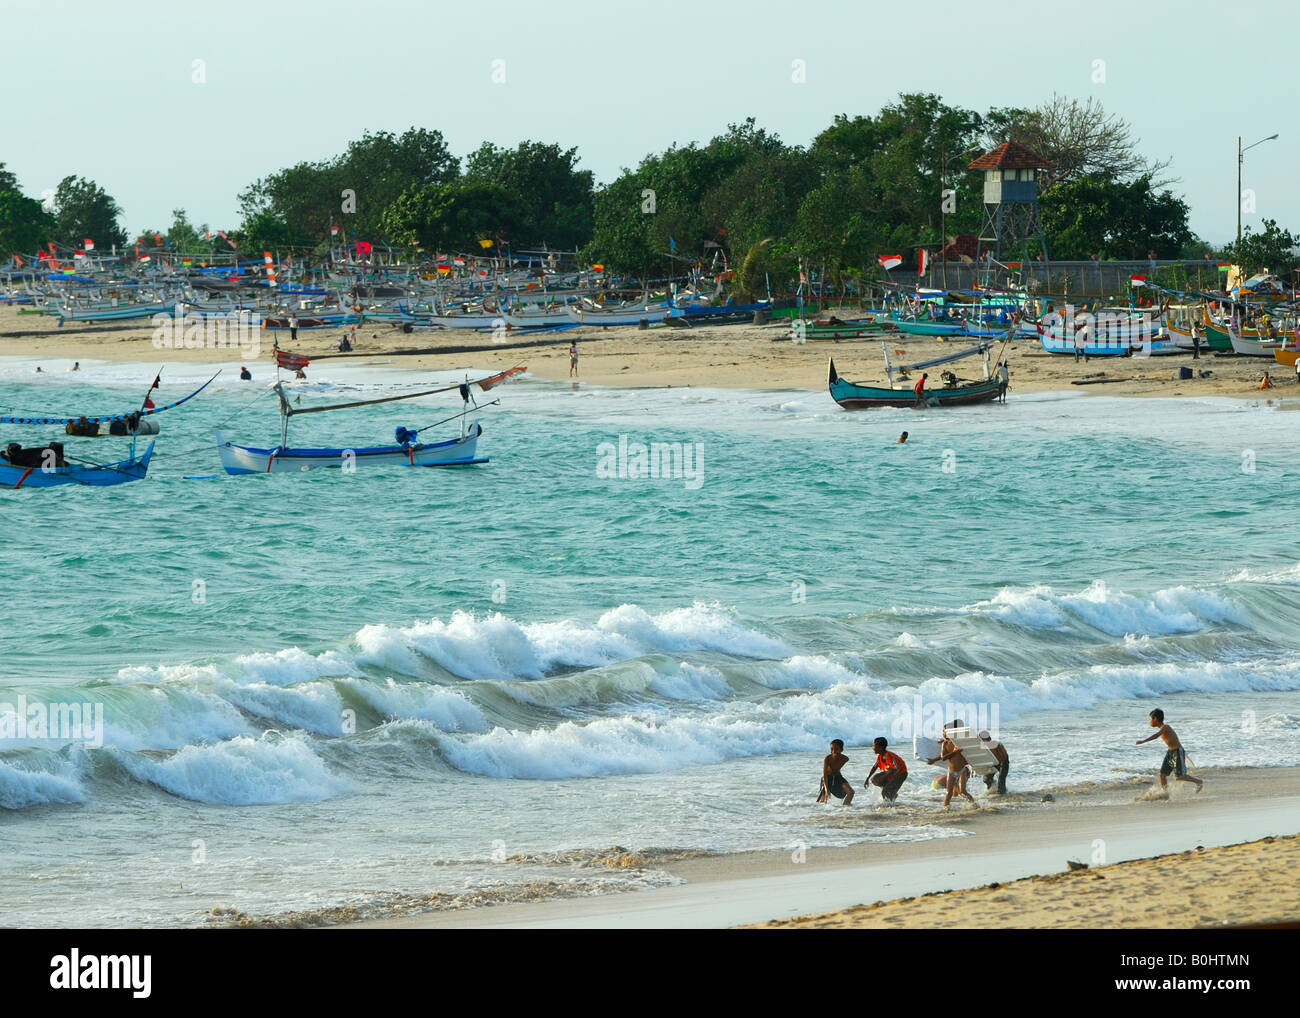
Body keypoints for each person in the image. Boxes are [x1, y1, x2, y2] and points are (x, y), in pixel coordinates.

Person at [1136, 708, 1203, 793]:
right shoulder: (1163, 728)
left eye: (1150, 719)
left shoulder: (1165, 727)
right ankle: (1165, 793)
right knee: (1162, 775)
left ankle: (1199, 782)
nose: (1149, 722)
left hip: (1177, 751)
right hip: (1170, 752)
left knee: (1180, 776)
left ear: (1155, 719)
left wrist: (1143, 741)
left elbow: (1156, 735)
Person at [926, 720, 975, 808]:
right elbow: (944, 757)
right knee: (949, 793)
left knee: (963, 791)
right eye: (943, 732)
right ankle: (946, 810)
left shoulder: (959, 742)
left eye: (946, 732)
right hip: (951, 771)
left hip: (962, 770)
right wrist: (955, 752)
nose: (944, 734)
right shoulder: (944, 744)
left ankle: (975, 806)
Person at [866, 737, 908, 801]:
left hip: (900, 774)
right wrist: (867, 778)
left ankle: (890, 803)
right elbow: (875, 767)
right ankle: (892, 793)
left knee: (885, 792)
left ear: (880, 748)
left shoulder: (890, 756)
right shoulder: (880, 756)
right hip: (891, 773)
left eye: (874, 746)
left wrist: (887, 778)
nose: (872, 748)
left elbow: (897, 768)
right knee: (875, 779)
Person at [816, 738, 855, 805]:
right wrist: (826, 789)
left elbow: (836, 768)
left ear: (841, 749)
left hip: (838, 777)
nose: (833, 751)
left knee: (851, 792)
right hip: (827, 778)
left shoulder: (845, 759)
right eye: (831, 749)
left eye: (836, 749)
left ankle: (845, 810)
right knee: (821, 802)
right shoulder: (827, 758)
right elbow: (824, 774)